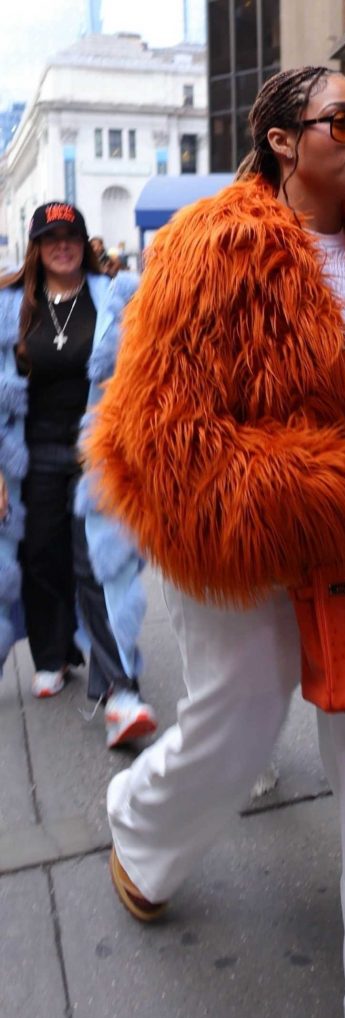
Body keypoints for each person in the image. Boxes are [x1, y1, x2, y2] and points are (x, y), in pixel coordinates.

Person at [86, 67, 345, 1018]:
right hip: (250, 542)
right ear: (279, 139)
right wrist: (324, 481)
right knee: (239, 716)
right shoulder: (206, 253)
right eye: (340, 119)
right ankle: (141, 831)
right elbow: (160, 431)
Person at [0, 202, 156, 748]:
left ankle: (121, 689)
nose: (60, 245)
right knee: (41, 557)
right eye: (49, 237)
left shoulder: (120, 297)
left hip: (100, 454)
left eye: (70, 235)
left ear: (84, 242)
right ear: (36, 248)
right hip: (36, 453)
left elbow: (150, 374)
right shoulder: (11, 308)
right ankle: (52, 653)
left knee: (100, 566)